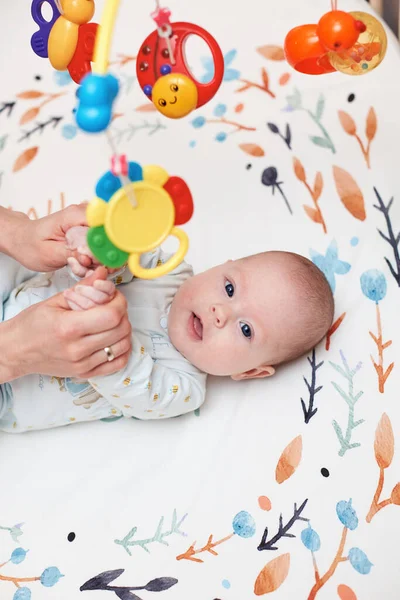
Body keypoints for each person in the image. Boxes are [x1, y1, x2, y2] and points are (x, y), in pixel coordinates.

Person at [0, 224, 334, 433]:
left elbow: (132, 386)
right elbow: (125, 256)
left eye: (246, 330)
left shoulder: (183, 387)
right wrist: (96, 255)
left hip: (11, 390)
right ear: (222, 265)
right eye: (229, 289)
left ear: (250, 372)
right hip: (16, 284)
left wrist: (102, 324)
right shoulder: (167, 270)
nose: (221, 313)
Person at [0, 207, 132, 389]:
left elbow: (149, 397)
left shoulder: (184, 381)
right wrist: (10, 352)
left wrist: (17, 232)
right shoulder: (173, 272)